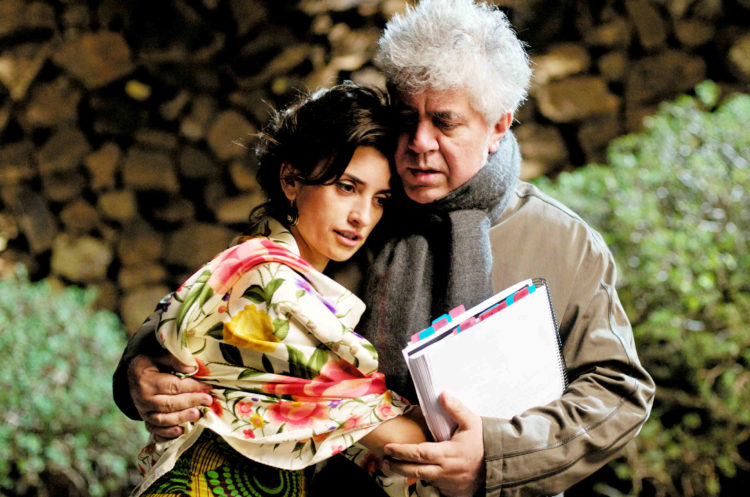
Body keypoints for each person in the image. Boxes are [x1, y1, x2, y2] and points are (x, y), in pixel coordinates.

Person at [115, 1, 656, 496]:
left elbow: (619, 392)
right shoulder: (354, 209)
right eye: (406, 119)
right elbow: (218, 308)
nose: (419, 143)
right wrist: (139, 373)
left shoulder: (563, 241)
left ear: (498, 126)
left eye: (444, 122)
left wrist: (496, 456)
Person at [127, 83, 436, 497]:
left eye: (379, 198)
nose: (362, 216)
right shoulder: (268, 285)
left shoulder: (252, 260)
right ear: (291, 180)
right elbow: (389, 432)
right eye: (347, 187)